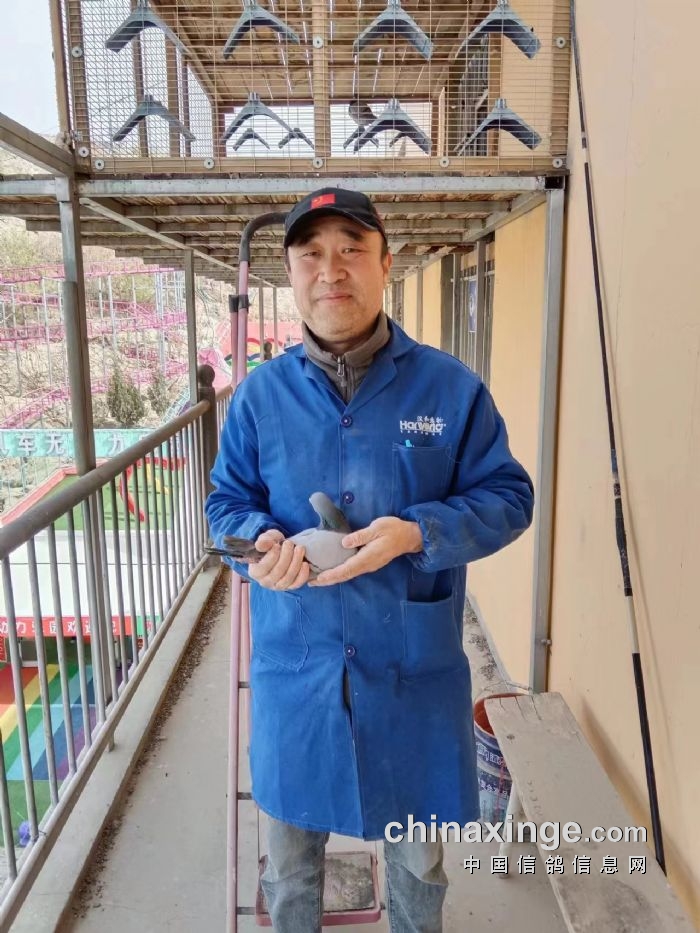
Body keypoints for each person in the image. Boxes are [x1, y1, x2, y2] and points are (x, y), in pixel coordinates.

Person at [205, 187, 534, 933]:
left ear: (387, 264)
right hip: (298, 670)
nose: (332, 270)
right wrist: (258, 544)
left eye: (352, 249)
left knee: (419, 868)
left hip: (411, 673)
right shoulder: (259, 399)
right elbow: (227, 504)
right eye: (311, 254)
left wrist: (418, 531)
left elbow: (509, 497)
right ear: (291, 273)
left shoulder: (450, 389)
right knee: (290, 870)